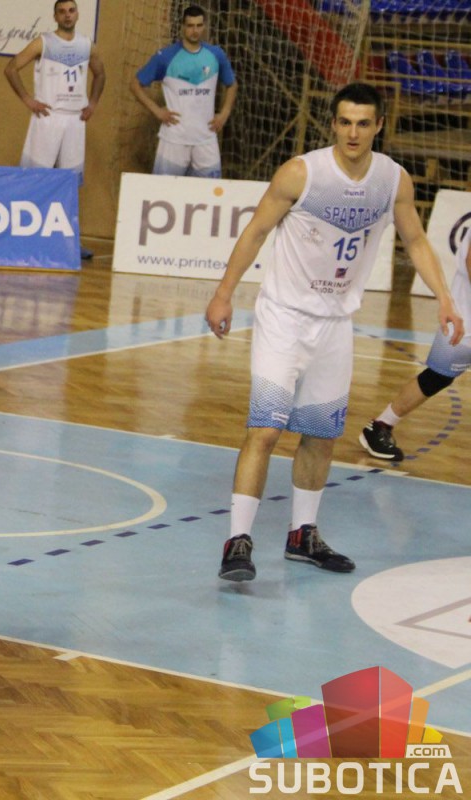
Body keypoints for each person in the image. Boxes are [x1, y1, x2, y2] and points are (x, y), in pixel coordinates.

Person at [204, 83, 464, 583]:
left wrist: (446, 300)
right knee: (265, 430)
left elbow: (415, 239)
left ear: (379, 125)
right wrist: (223, 293)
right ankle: (238, 540)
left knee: (321, 435)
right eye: (345, 122)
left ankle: (302, 535)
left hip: (336, 325)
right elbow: (256, 231)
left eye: (363, 123)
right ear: (333, 124)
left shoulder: (393, 180)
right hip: (284, 318)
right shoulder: (301, 173)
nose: (353, 132)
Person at [4, 0, 105, 261]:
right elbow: (11, 68)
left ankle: (68, 241)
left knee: (70, 183)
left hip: (75, 120)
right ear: (55, 16)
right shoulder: (43, 42)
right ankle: (22, 237)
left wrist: (92, 103)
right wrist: (28, 100)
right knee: (34, 179)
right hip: (48, 117)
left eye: (71, 11)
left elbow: (100, 74)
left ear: (77, 14)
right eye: (62, 11)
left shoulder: (86, 44)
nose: (67, 15)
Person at [359, 229, 471, 460]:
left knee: (438, 378)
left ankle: (382, 425)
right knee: (437, 377)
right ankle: (380, 426)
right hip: (464, 318)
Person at [128, 5, 237, 178]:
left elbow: (232, 84)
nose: (195, 31)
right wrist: (157, 111)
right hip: (174, 140)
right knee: (165, 190)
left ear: (204, 26)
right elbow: (135, 84)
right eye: (190, 25)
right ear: (182, 27)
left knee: (209, 191)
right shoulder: (165, 56)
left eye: (199, 25)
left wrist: (224, 113)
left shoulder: (216, 55)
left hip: (206, 138)